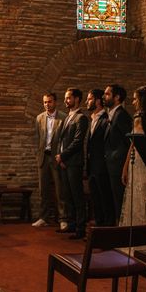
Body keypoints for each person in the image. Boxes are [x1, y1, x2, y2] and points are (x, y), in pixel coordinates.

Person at [119, 86, 146, 227]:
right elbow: (133, 144)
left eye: (136, 99)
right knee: (133, 198)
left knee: (144, 199)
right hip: (134, 162)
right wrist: (125, 167)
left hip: (145, 163)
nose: (133, 102)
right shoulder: (137, 118)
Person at [56, 88, 89, 238]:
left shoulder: (81, 118)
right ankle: (71, 224)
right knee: (67, 195)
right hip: (64, 162)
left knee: (77, 196)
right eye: (65, 98)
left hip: (74, 162)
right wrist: (60, 157)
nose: (65, 101)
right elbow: (61, 140)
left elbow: (77, 142)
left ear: (77, 99)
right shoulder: (68, 117)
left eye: (68, 98)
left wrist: (62, 156)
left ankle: (80, 228)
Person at [33, 92, 67, 228]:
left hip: (57, 157)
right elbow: (37, 138)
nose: (47, 104)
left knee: (60, 189)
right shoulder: (39, 118)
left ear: (55, 102)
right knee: (43, 190)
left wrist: (62, 156)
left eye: (50, 102)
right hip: (43, 157)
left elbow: (65, 139)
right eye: (45, 102)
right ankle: (43, 217)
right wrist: (38, 155)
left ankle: (63, 218)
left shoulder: (63, 118)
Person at [103, 84, 133, 225]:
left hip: (118, 163)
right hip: (111, 163)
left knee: (119, 199)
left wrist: (121, 161)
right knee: (113, 199)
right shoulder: (112, 114)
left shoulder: (121, 115)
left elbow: (129, 142)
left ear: (117, 97)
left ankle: (120, 228)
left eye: (108, 94)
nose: (104, 97)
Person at [86, 89, 113, 226]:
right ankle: (98, 226)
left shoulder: (105, 119)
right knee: (95, 199)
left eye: (89, 99)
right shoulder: (92, 119)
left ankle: (106, 229)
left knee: (104, 199)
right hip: (92, 166)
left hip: (102, 166)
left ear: (97, 101)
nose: (87, 102)